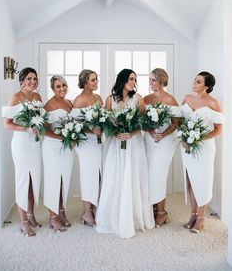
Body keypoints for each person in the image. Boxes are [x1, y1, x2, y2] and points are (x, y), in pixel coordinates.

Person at [96, 68, 154, 238]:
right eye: (130, 78)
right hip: (115, 144)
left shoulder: (138, 99)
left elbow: (142, 123)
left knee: (132, 176)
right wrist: (115, 133)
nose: (133, 82)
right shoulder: (109, 99)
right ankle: (112, 216)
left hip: (133, 143)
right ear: (122, 80)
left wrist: (130, 134)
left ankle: (134, 217)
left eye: (135, 79)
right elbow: (106, 122)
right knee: (114, 177)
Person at [180, 71, 222, 233]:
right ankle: (193, 214)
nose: (194, 83)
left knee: (202, 180)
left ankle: (201, 218)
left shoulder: (213, 103)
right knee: (191, 180)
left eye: (198, 82)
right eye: (194, 80)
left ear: (206, 86)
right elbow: (182, 121)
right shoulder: (187, 98)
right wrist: (185, 137)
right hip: (188, 145)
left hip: (204, 147)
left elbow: (219, 130)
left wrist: (199, 138)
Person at [2, 67, 42, 237]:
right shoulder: (16, 98)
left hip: (35, 144)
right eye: (29, 79)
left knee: (33, 182)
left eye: (34, 78)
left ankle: (31, 215)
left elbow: (41, 118)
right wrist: (26, 128)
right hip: (21, 144)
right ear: (22, 81)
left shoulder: (38, 97)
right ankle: (23, 221)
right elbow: (7, 124)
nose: (32, 82)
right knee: (23, 182)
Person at [144, 68, 179, 227]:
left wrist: (163, 134)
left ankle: (161, 212)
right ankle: (150, 208)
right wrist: (149, 130)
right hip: (148, 142)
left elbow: (175, 123)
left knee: (158, 175)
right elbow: (142, 123)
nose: (150, 83)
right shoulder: (146, 99)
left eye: (153, 80)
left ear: (161, 81)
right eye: (149, 79)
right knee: (147, 175)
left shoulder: (170, 99)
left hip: (164, 143)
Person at [42, 75, 74, 232]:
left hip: (67, 147)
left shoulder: (69, 102)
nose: (62, 89)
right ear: (53, 89)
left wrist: (72, 136)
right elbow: (43, 130)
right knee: (53, 180)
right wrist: (62, 137)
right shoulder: (49, 105)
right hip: (52, 147)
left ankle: (62, 212)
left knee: (64, 180)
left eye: (64, 85)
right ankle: (53, 217)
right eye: (58, 86)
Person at [72, 69, 103, 227]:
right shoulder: (79, 100)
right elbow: (75, 126)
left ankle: (96, 207)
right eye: (93, 80)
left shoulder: (98, 98)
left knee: (98, 175)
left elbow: (103, 119)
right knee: (88, 176)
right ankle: (86, 212)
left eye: (96, 79)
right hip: (85, 143)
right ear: (85, 83)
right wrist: (91, 130)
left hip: (99, 142)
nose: (96, 82)